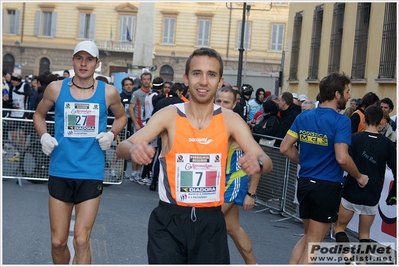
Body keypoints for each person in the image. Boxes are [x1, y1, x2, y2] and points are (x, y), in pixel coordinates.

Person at [115, 47, 272, 264]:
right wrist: (133, 150)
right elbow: (123, 146)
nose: (204, 81)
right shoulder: (169, 116)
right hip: (170, 221)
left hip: (210, 222)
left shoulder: (230, 120)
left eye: (211, 74)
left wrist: (258, 163)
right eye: (197, 73)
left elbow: (265, 159)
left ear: (220, 81)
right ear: (186, 79)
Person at [33, 40, 127, 264]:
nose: (84, 64)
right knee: (58, 242)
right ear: (73, 61)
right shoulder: (56, 88)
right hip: (61, 169)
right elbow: (38, 114)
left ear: (97, 63)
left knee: (82, 241)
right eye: (79, 58)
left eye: (89, 59)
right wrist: (44, 136)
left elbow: (122, 117)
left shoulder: (109, 92)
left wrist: (111, 134)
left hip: (90, 171)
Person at [279, 72, 369, 264]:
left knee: (307, 236)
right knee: (314, 243)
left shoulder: (304, 117)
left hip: (304, 183)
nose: (349, 95)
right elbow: (342, 158)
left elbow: (285, 148)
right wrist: (359, 176)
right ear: (337, 94)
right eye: (347, 91)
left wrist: (305, 161)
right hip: (326, 186)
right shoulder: (341, 121)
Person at [333, 105, 396, 264]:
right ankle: (362, 263)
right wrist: (393, 194)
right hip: (372, 194)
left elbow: (342, 161)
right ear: (382, 121)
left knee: (339, 227)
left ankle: (348, 259)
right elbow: (396, 170)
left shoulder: (353, 138)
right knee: (365, 235)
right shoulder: (388, 145)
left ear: (364, 119)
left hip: (351, 190)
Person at [215, 86, 261, 264]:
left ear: (234, 104)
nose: (222, 105)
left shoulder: (237, 127)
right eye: (218, 101)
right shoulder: (213, 122)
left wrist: (251, 192)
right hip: (218, 182)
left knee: (208, 223)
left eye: (226, 102)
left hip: (233, 181)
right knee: (232, 228)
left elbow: (257, 159)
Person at [128, 72, 152, 182]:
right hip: (138, 124)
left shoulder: (152, 93)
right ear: (141, 81)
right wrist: (136, 123)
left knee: (144, 148)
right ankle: (134, 172)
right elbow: (131, 109)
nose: (146, 81)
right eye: (144, 79)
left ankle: (139, 172)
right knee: (136, 147)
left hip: (148, 125)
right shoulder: (136, 93)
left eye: (148, 79)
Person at [5, 73, 34, 162]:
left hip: (22, 114)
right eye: (12, 80)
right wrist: (11, 105)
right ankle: (16, 153)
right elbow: (9, 99)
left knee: (21, 135)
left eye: (14, 80)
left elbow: (30, 93)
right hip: (13, 114)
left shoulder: (25, 85)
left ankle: (21, 152)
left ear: (18, 80)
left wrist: (19, 92)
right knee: (13, 135)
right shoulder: (11, 87)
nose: (12, 82)